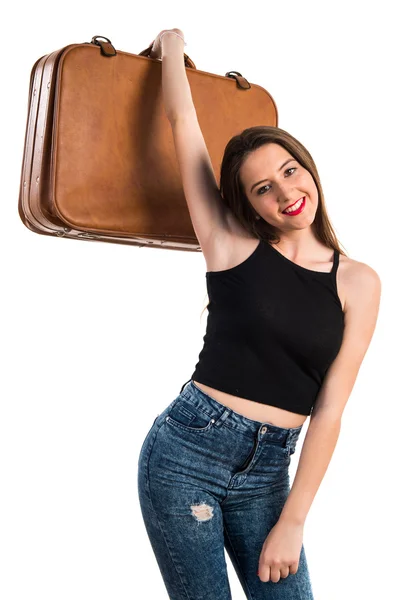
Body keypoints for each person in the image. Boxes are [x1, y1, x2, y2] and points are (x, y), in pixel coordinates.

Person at [137, 28, 381, 600]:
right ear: (247, 204)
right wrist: (171, 50)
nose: (285, 193)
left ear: (308, 167)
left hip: (271, 475)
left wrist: (293, 520)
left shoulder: (358, 282)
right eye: (263, 188)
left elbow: (329, 410)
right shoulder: (228, 244)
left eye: (291, 171)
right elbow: (183, 127)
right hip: (185, 454)